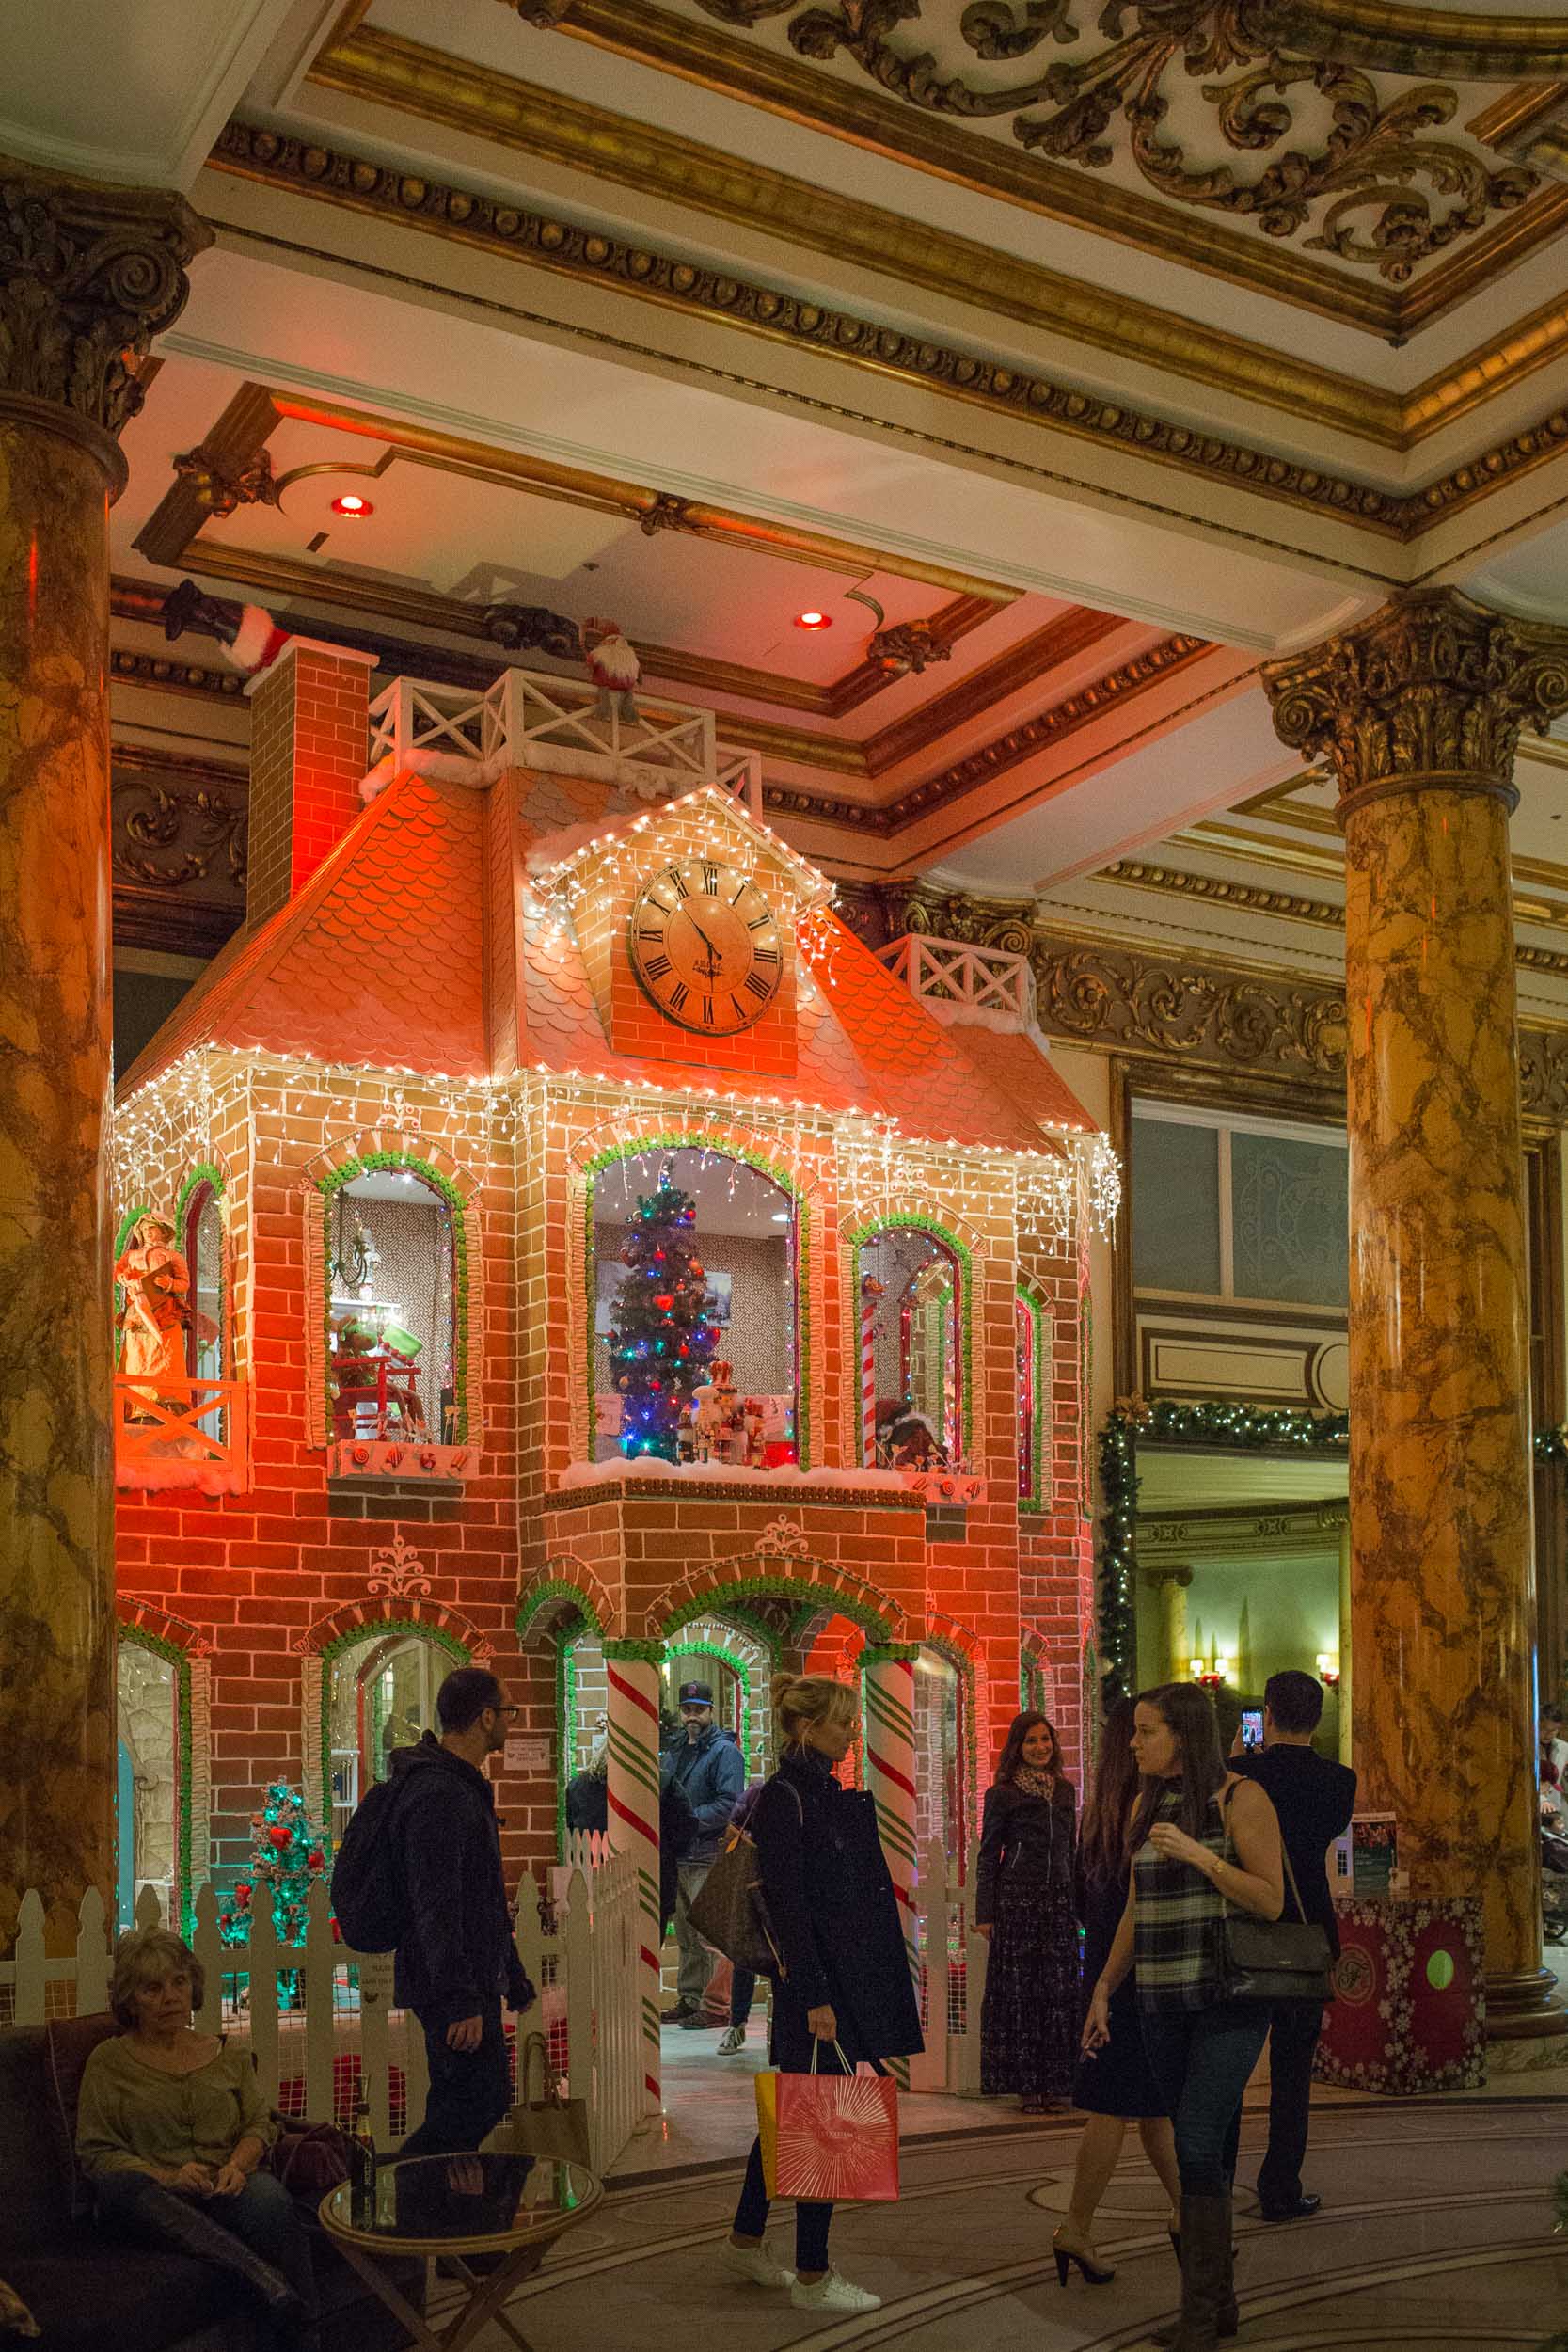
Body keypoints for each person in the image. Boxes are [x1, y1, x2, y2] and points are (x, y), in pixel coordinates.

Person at [1083, 1683, 1283, 2352]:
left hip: (1229, 1999)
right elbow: (1137, 1912)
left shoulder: (1239, 1798)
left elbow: (1270, 1900)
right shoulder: (1149, 1802)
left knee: (1194, 2142)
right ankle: (1218, 2307)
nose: (1133, 1743)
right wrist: (1105, 1988)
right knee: (1201, 2147)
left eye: (1145, 1731)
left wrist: (1201, 1855)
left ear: (1182, 1734)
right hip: (1159, 2001)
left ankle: (1198, 2316)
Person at [722, 1672, 922, 2313]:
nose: (849, 1731)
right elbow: (787, 1905)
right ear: (806, 1727)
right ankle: (813, 2277)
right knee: (824, 2124)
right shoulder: (785, 1798)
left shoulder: (816, 1793)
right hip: (817, 1988)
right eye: (839, 1721)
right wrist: (813, 1997)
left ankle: (745, 2240)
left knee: (799, 2108)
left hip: (834, 1980)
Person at [75, 1929, 318, 2352]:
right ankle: (266, 2282)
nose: (170, 1996)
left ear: (194, 1986)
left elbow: (260, 2125)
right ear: (131, 1999)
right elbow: (96, 2153)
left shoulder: (228, 2054)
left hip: (225, 2186)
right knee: (119, 2189)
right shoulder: (108, 2062)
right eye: (153, 1988)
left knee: (269, 2199)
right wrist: (166, 2176)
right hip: (152, 2199)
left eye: (179, 1982)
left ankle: (303, 2338)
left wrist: (237, 2167)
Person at [1053, 1696, 1180, 2289]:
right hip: (1132, 1970)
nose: (1138, 1744)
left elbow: (1084, 1895)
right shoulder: (1147, 1807)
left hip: (1105, 1964)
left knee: (1147, 2106)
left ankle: (1191, 2218)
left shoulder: (1100, 1811)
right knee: (1121, 2104)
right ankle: (1078, 2226)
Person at [389, 1665, 537, 2157]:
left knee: (466, 2101)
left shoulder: (458, 1783)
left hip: (471, 1979)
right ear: (484, 1717)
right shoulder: (439, 1792)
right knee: (474, 2104)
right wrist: (459, 2001)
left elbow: (483, 1899)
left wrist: (511, 1978)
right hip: (453, 1986)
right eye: (508, 1711)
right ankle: (394, 2193)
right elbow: (437, 1903)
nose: (511, 1722)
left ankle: (440, 2218)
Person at [1228, 1669, 1356, 2223]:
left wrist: (1239, 1755)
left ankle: (1213, 2182)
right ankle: (1280, 2187)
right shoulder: (1340, 1781)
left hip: (1249, 1925)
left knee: (1228, 2066)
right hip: (1309, 1932)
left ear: (1268, 1714)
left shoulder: (1238, 1773)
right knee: (1292, 2070)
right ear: (1319, 1719)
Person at [975, 1709, 1079, 2113]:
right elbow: (988, 1856)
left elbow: (1070, 1850)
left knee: (1057, 1990)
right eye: (1031, 1741)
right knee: (1021, 1994)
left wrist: (1076, 1899)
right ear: (1018, 1747)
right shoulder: (1002, 1794)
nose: (1040, 1747)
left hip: (1058, 1903)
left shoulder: (1065, 1792)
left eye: (1045, 1740)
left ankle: (1055, 2081)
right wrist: (986, 1913)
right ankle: (1026, 2085)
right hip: (1016, 1902)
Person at [660, 1681, 745, 2026]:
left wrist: (689, 1821)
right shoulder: (676, 1749)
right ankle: (691, 1998)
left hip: (708, 1853)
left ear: (712, 1711)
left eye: (698, 1709)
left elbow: (730, 1804)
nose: (692, 1716)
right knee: (686, 1935)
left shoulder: (725, 1753)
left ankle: (715, 2005)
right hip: (680, 1854)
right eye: (686, 1709)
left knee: (711, 1935)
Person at [114, 1213, 190, 1404]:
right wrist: (123, 1277)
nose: (148, 1232)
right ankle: (136, 1403)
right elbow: (117, 1272)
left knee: (165, 1353)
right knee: (137, 1355)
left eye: (152, 1228)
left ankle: (167, 1401)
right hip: (137, 1313)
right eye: (145, 1229)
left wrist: (170, 1283)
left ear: (163, 1232)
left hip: (164, 1312)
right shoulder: (131, 1256)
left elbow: (184, 1283)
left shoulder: (173, 1257)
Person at [719, 1779, 767, 2053]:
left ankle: (737, 2025)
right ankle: (736, 2023)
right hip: (753, 1880)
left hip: (771, 1883)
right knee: (744, 1955)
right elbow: (734, 1825)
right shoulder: (758, 1793)